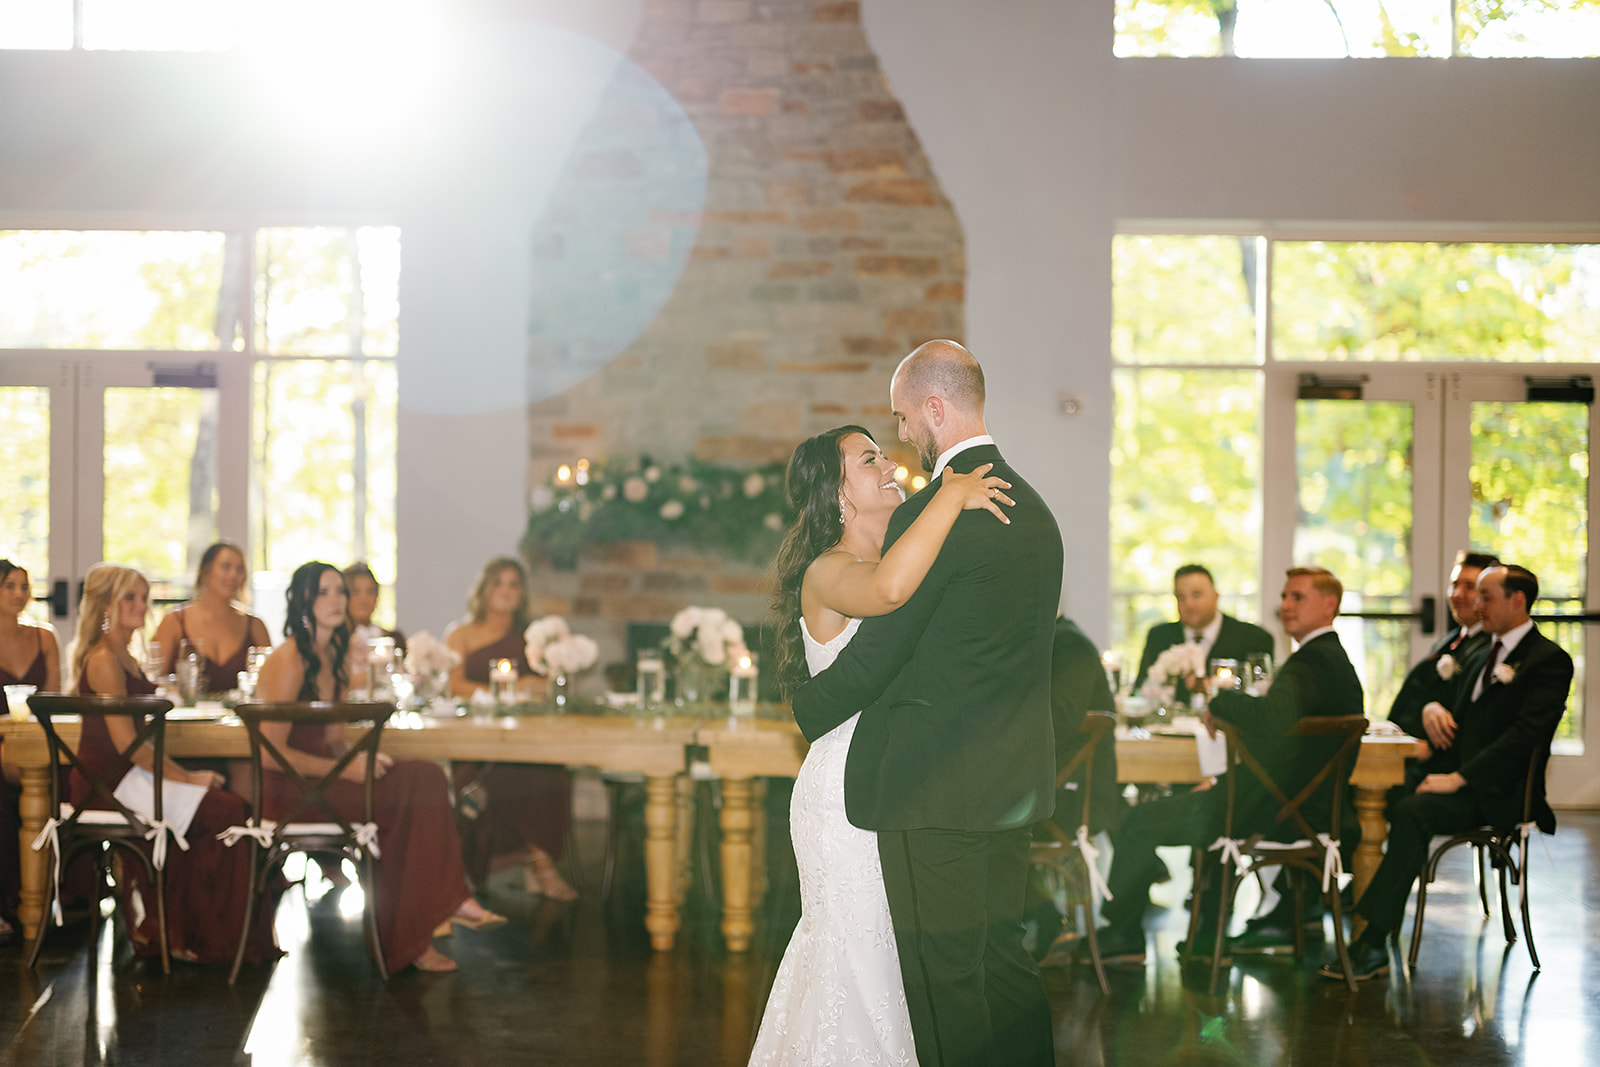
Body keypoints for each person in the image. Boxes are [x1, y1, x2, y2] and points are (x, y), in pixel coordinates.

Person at [789, 340, 1063, 1067]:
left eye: (905, 418)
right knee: (1004, 961)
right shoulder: (1034, 510)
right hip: (1012, 783)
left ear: (936, 408)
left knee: (944, 986)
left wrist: (809, 709)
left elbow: (882, 656)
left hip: (932, 787)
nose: (903, 437)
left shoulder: (935, 516)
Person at [749, 420, 1015, 1066]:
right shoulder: (830, 570)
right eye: (869, 460)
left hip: (894, 781)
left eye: (884, 454)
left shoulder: (890, 556)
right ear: (838, 496)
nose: (890, 465)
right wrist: (950, 495)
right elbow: (891, 590)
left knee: (887, 962)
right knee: (855, 958)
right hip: (844, 794)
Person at [1095, 566, 1364, 964]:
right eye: (1285, 597)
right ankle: (1207, 936)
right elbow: (1284, 738)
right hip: (1301, 807)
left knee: (1139, 822)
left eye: (1298, 598)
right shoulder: (1331, 659)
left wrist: (1218, 702)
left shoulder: (1311, 663)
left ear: (1330, 605)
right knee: (1199, 806)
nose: (1285, 605)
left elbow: (1272, 717)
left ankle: (1122, 937)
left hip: (1273, 811)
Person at [1323, 564, 1573, 983]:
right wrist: (1430, 708)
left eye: (1485, 596)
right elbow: (1457, 715)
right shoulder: (1480, 653)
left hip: (1498, 790)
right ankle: (1345, 895)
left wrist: (1460, 779)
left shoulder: (1548, 660)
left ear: (1517, 600)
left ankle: (1372, 942)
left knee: (1413, 813)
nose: (1476, 605)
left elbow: (1523, 737)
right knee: (1371, 788)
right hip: (1457, 776)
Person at [255, 561, 505, 974]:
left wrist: (357, 760)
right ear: (302, 601)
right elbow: (270, 755)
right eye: (324, 592)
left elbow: (333, 739)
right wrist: (349, 773)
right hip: (292, 791)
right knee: (415, 787)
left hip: (325, 778)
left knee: (423, 775)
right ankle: (433, 919)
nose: (338, 601)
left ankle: (427, 924)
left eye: (341, 591)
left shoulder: (329, 656)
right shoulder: (290, 659)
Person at [68, 562, 279, 965]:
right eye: (129, 596)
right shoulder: (103, 660)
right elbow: (129, 746)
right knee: (225, 809)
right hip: (106, 785)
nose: (141, 604)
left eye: (144, 597)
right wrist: (190, 778)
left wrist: (186, 778)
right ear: (106, 604)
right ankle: (196, 935)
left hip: (129, 776)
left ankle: (194, 930)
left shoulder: (125, 656)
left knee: (228, 806)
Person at [443, 557, 575, 899]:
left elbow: (548, 684)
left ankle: (540, 864)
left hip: (522, 738)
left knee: (548, 768)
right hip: (474, 740)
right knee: (511, 773)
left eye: (513, 584)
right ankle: (542, 868)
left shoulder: (530, 640)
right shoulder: (461, 634)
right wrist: (502, 691)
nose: (505, 590)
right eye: (498, 582)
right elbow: (453, 684)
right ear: (484, 589)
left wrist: (534, 684)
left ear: (521, 594)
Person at [1386, 550, 1500, 796]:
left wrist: (1426, 749)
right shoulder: (1448, 642)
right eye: (1454, 585)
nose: (1458, 594)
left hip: (1446, 762)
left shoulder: (1491, 650)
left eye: (1469, 586)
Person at [0, 559, 60, 944]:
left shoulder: (45, 637)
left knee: (55, 779)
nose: (20, 594)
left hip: (37, 742)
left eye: (24, 586)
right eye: (9, 585)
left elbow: (54, 704)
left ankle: (54, 898)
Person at [1132, 564, 1275, 707]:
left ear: (1215, 597)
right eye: (1181, 597)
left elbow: (1261, 700)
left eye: (1197, 595)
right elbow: (1139, 691)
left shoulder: (1253, 638)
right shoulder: (1159, 636)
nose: (1189, 604)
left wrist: (1211, 686)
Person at [152, 542, 272, 695]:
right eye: (226, 567)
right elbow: (155, 680)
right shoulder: (174, 621)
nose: (233, 575)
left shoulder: (255, 625)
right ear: (206, 571)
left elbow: (271, 683)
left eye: (240, 570)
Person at [344, 561, 405, 655]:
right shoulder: (337, 642)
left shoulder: (394, 639)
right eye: (355, 592)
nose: (363, 600)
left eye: (370, 592)